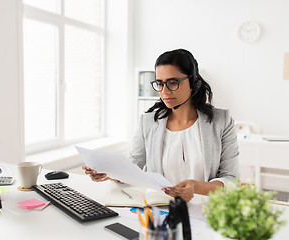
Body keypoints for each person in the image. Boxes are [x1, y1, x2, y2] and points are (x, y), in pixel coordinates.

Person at [82, 49, 239, 202]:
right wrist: (109, 172)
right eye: (159, 83)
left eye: (172, 82)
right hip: (161, 208)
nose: (164, 91)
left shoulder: (221, 121)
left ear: (193, 82)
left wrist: (195, 186)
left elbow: (231, 179)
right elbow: (134, 166)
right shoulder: (148, 122)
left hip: (206, 210)